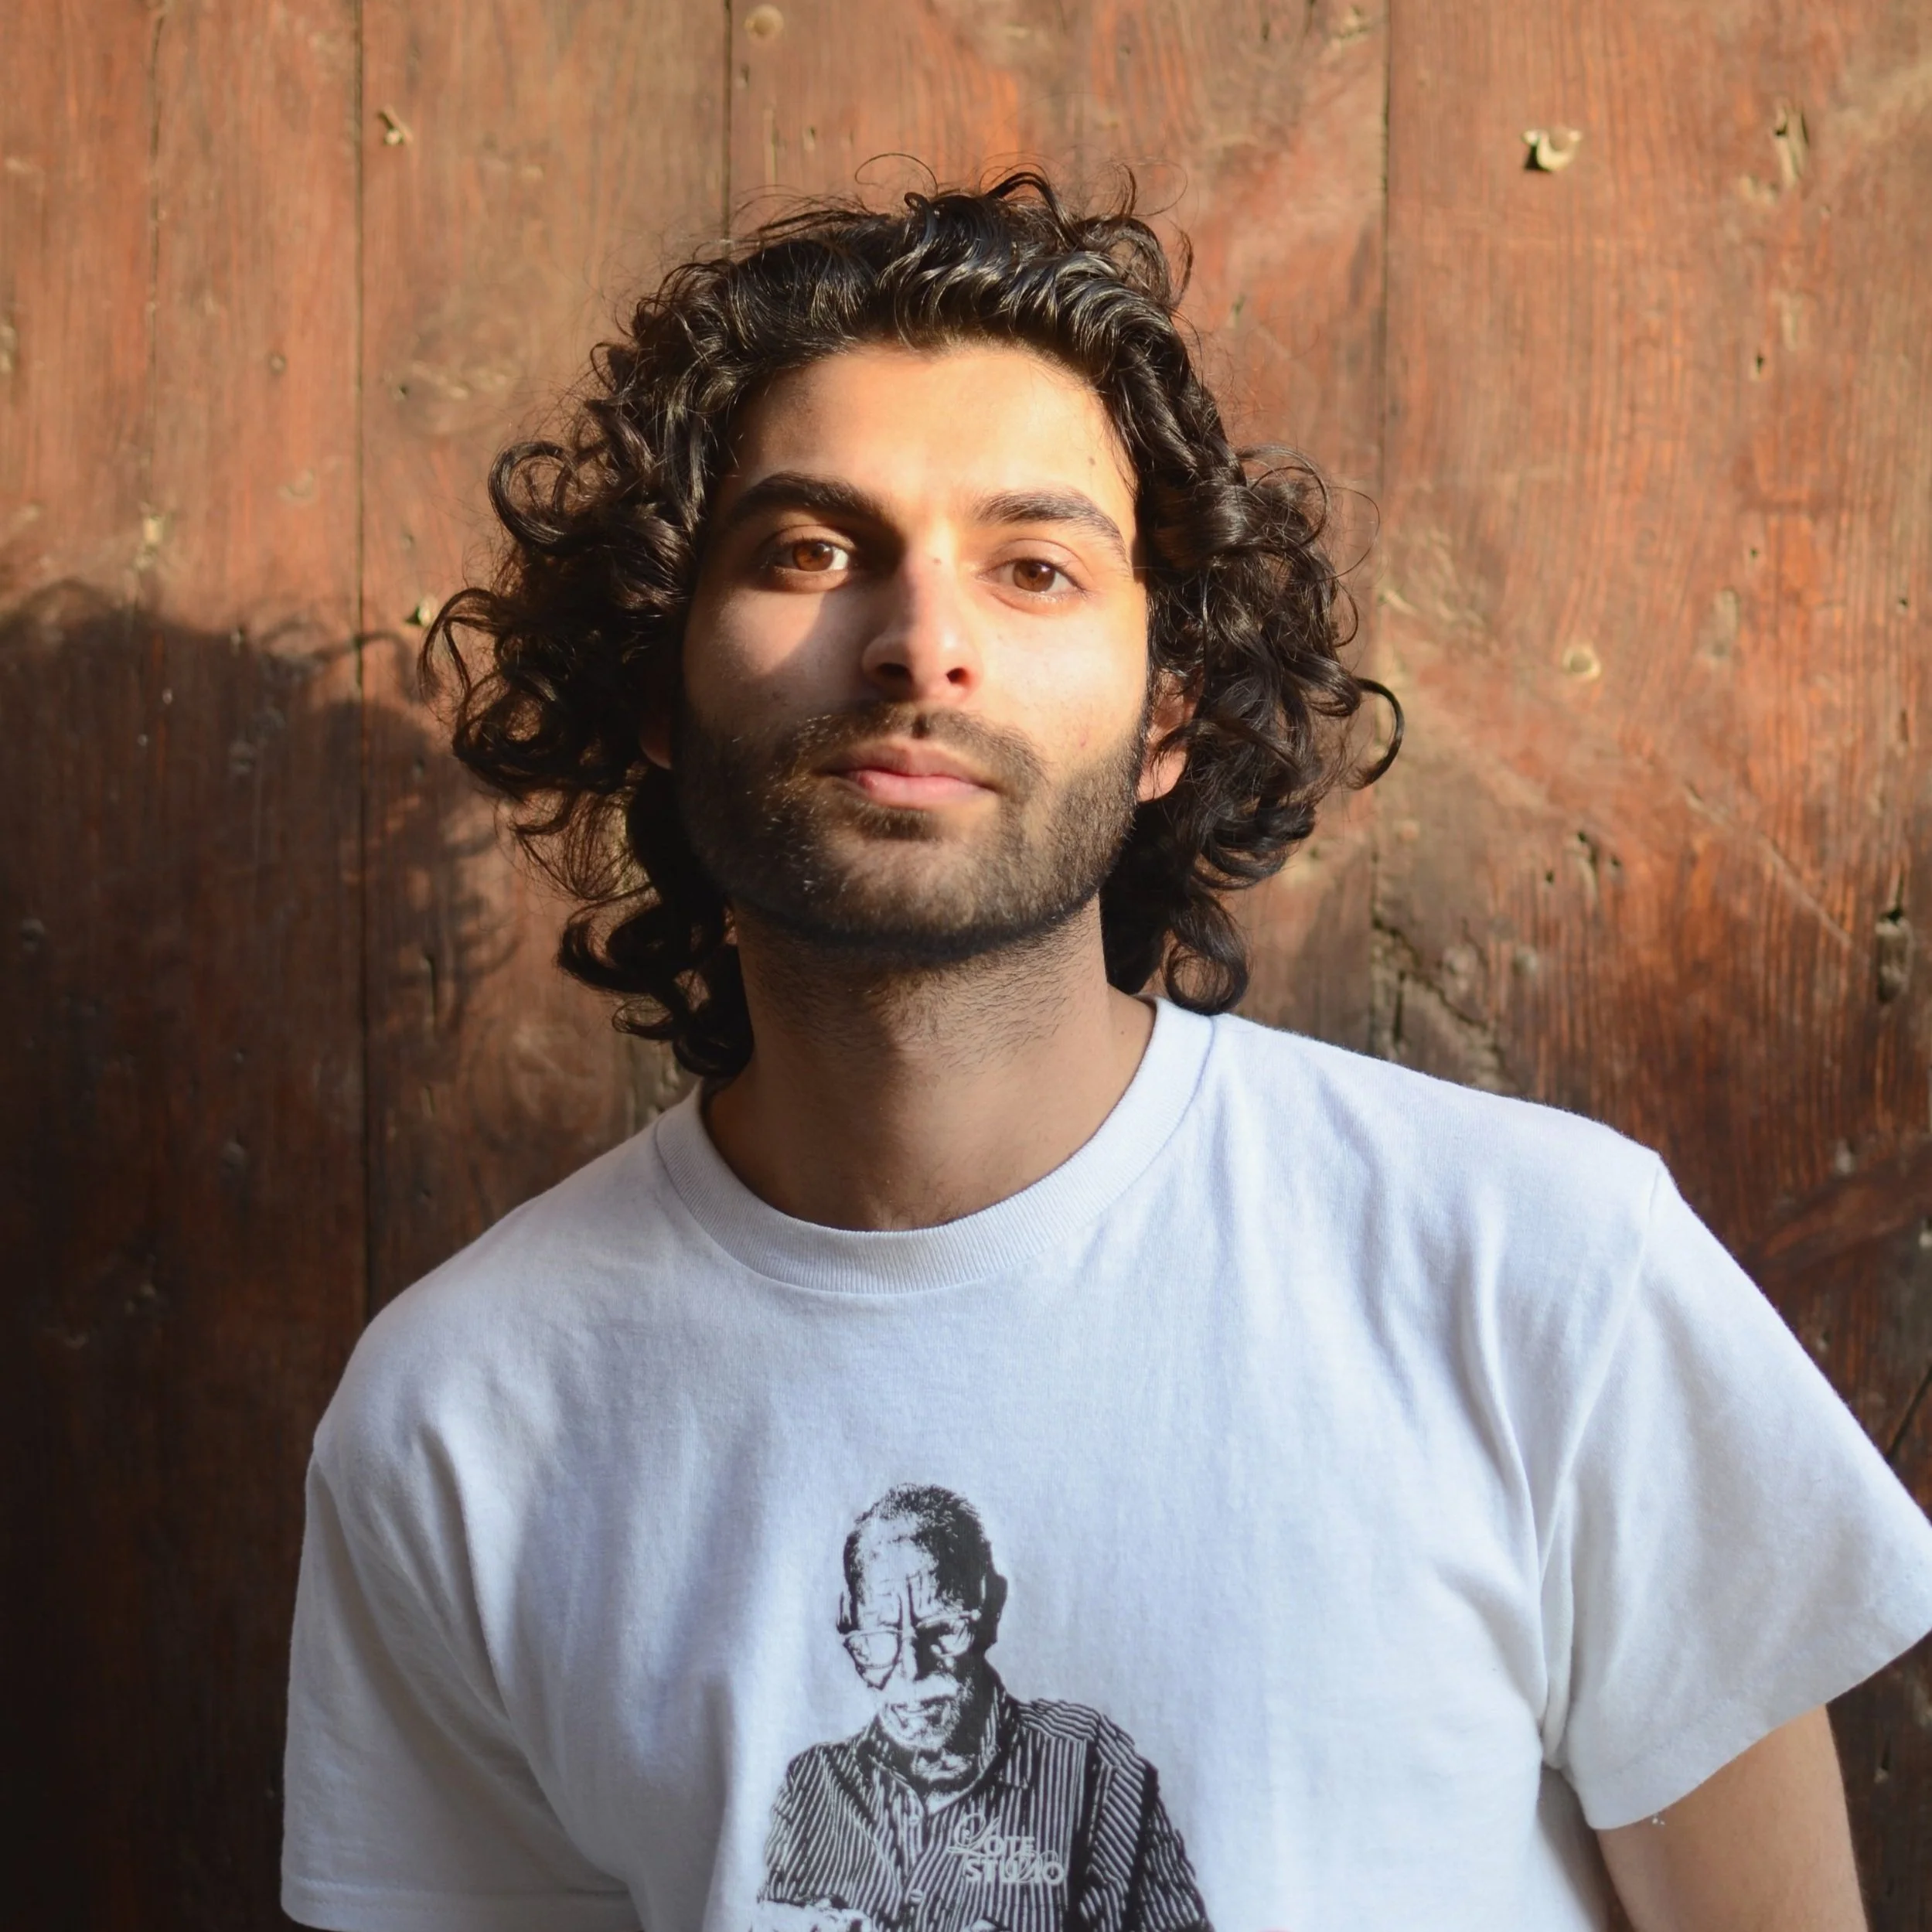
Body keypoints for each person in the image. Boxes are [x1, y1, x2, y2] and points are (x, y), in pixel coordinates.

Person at [281, 172, 1932, 1932]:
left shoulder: (1539, 1280)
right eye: (810, 550)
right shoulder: (460, 1417)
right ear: (655, 690)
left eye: (1035, 566)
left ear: (1169, 717)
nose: (925, 642)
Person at [755, 1485, 1207, 1932]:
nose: (911, 1671)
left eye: (944, 1628)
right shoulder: (810, 1786)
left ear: (991, 1610)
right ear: (848, 1623)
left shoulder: (1092, 1766)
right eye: (878, 1636)